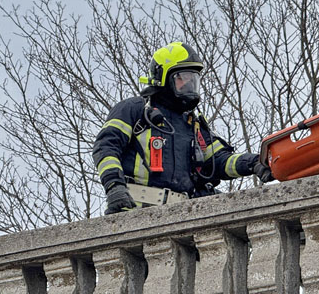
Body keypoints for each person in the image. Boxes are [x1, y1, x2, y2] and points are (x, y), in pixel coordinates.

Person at [92, 41, 272, 215]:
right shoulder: (135, 110)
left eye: (193, 79)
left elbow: (219, 161)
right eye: (183, 79)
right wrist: (114, 187)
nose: (189, 85)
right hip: (135, 211)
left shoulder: (192, 125)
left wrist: (255, 162)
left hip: (182, 216)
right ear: (163, 77)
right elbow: (106, 147)